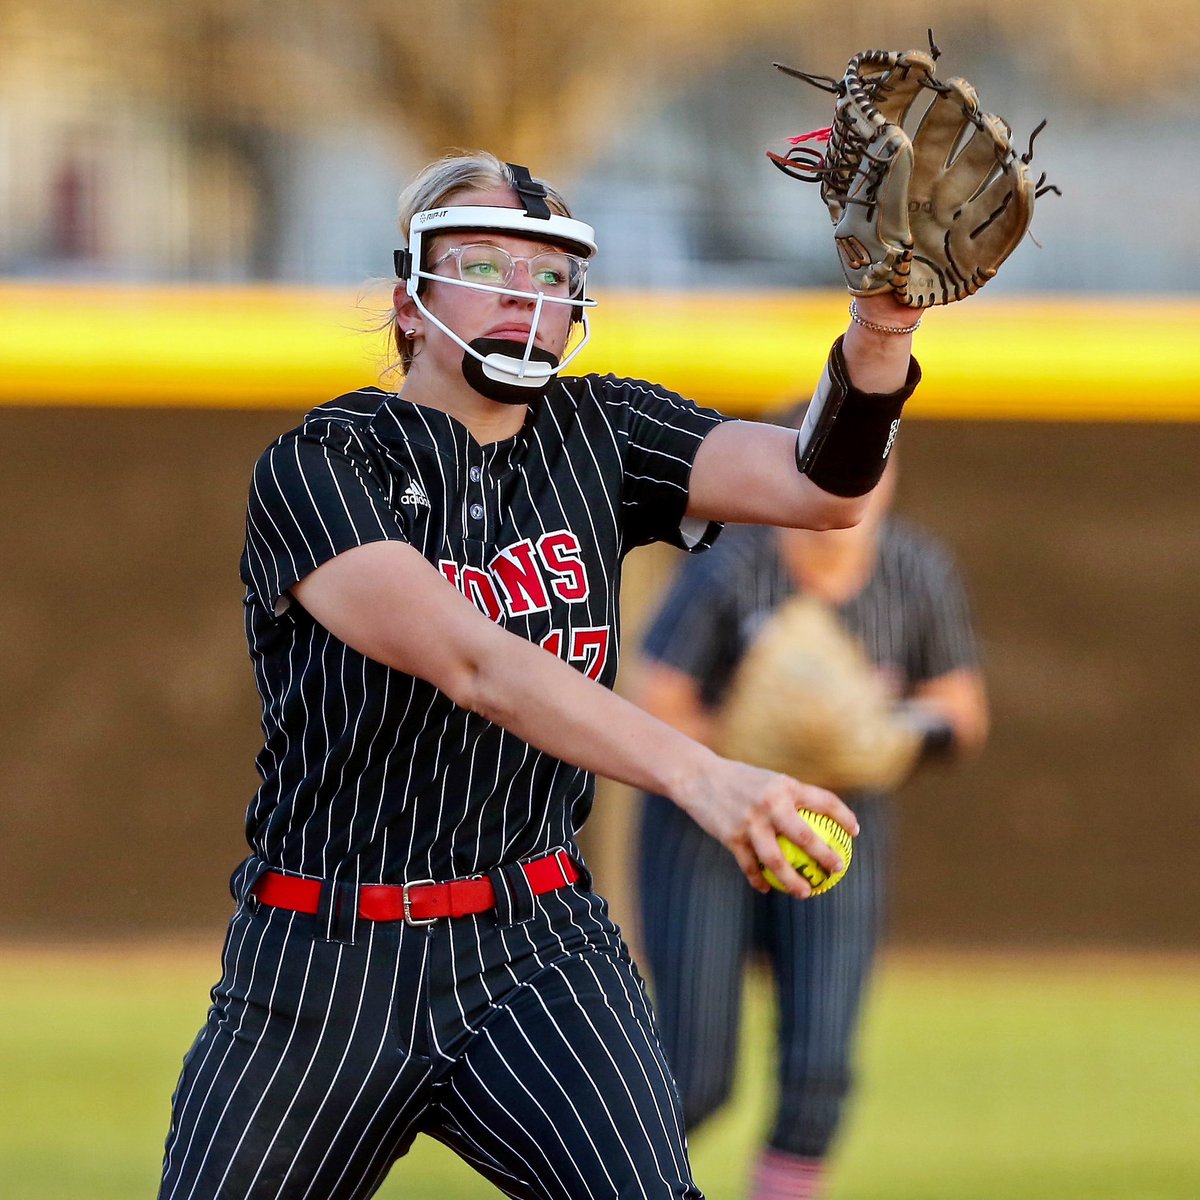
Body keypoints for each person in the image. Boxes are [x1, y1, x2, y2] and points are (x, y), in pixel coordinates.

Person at [158, 150, 930, 1200]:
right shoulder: (321, 466)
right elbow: (473, 662)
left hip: (534, 946)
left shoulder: (601, 430)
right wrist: (704, 775)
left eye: (549, 272)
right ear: (407, 301)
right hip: (321, 955)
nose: (523, 295)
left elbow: (823, 487)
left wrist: (882, 330)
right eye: (483, 264)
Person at [635, 450, 989, 1200]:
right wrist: (743, 747)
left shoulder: (917, 569)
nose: (858, 476)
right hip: (711, 825)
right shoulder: (733, 567)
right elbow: (654, 694)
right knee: (693, 1077)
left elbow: (963, 714)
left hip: (837, 818)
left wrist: (889, 731)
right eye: (833, 458)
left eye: (872, 459)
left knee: (819, 1073)